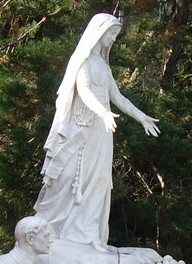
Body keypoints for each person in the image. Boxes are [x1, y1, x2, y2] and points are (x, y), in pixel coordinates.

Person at [34, 13, 160, 247]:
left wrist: (141, 116)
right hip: (82, 127)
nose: (113, 38)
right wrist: (102, 112)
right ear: (99, 32)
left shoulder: (103, 65)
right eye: (111, 33)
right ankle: (61, 230)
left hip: (102, 131)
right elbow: (84, 90)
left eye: (116, 34)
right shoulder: (83, 61)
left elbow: (117, 97)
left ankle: (88, 233)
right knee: (72, 177)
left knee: (100, 180)